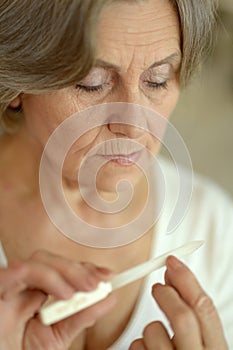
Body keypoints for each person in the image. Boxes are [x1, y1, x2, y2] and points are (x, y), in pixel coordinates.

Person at [0, 0, 232, 349]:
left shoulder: (214, 227)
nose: (136, 126)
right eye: (92, 83)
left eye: (157, 80)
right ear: (18, 80)